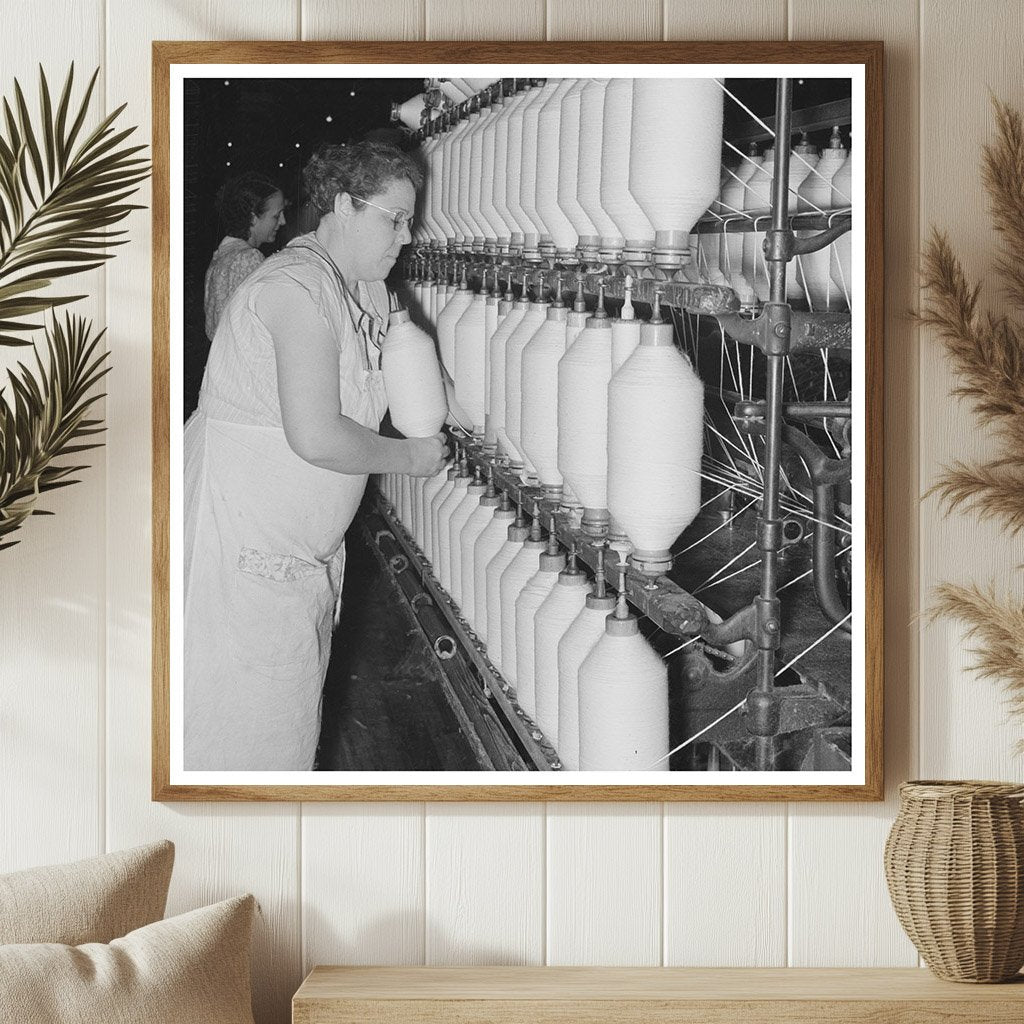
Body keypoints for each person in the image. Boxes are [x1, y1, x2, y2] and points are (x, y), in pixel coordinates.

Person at [183, 142, 448, 770]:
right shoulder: (293, 289)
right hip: (236, 562)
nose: (405, 237)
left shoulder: (363, 292)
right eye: (394, 217)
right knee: (235, 750)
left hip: (290, 564)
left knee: (276, 739)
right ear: (342, 206)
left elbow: (425, 386)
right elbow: (318, 436)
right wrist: (412, 458)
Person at [203, 172, 287, 340]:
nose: (283, 221)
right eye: (276, 215)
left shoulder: (222, 254)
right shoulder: (249, 259)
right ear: (253, 217)